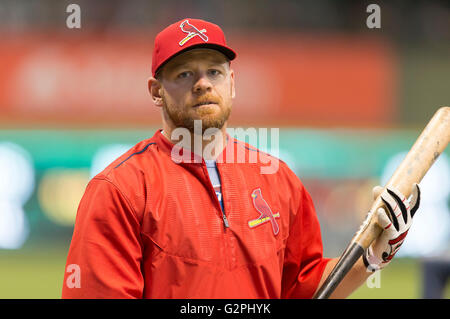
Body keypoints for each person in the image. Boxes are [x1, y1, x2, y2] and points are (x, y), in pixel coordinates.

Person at [62, 18, 421, 299]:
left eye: (214, 72)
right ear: (156, 91)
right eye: (185, 73)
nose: (202, 83)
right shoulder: (119, 189)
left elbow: (304, 289)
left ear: (232, 83)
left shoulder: (279, 181)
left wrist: (375, 253)